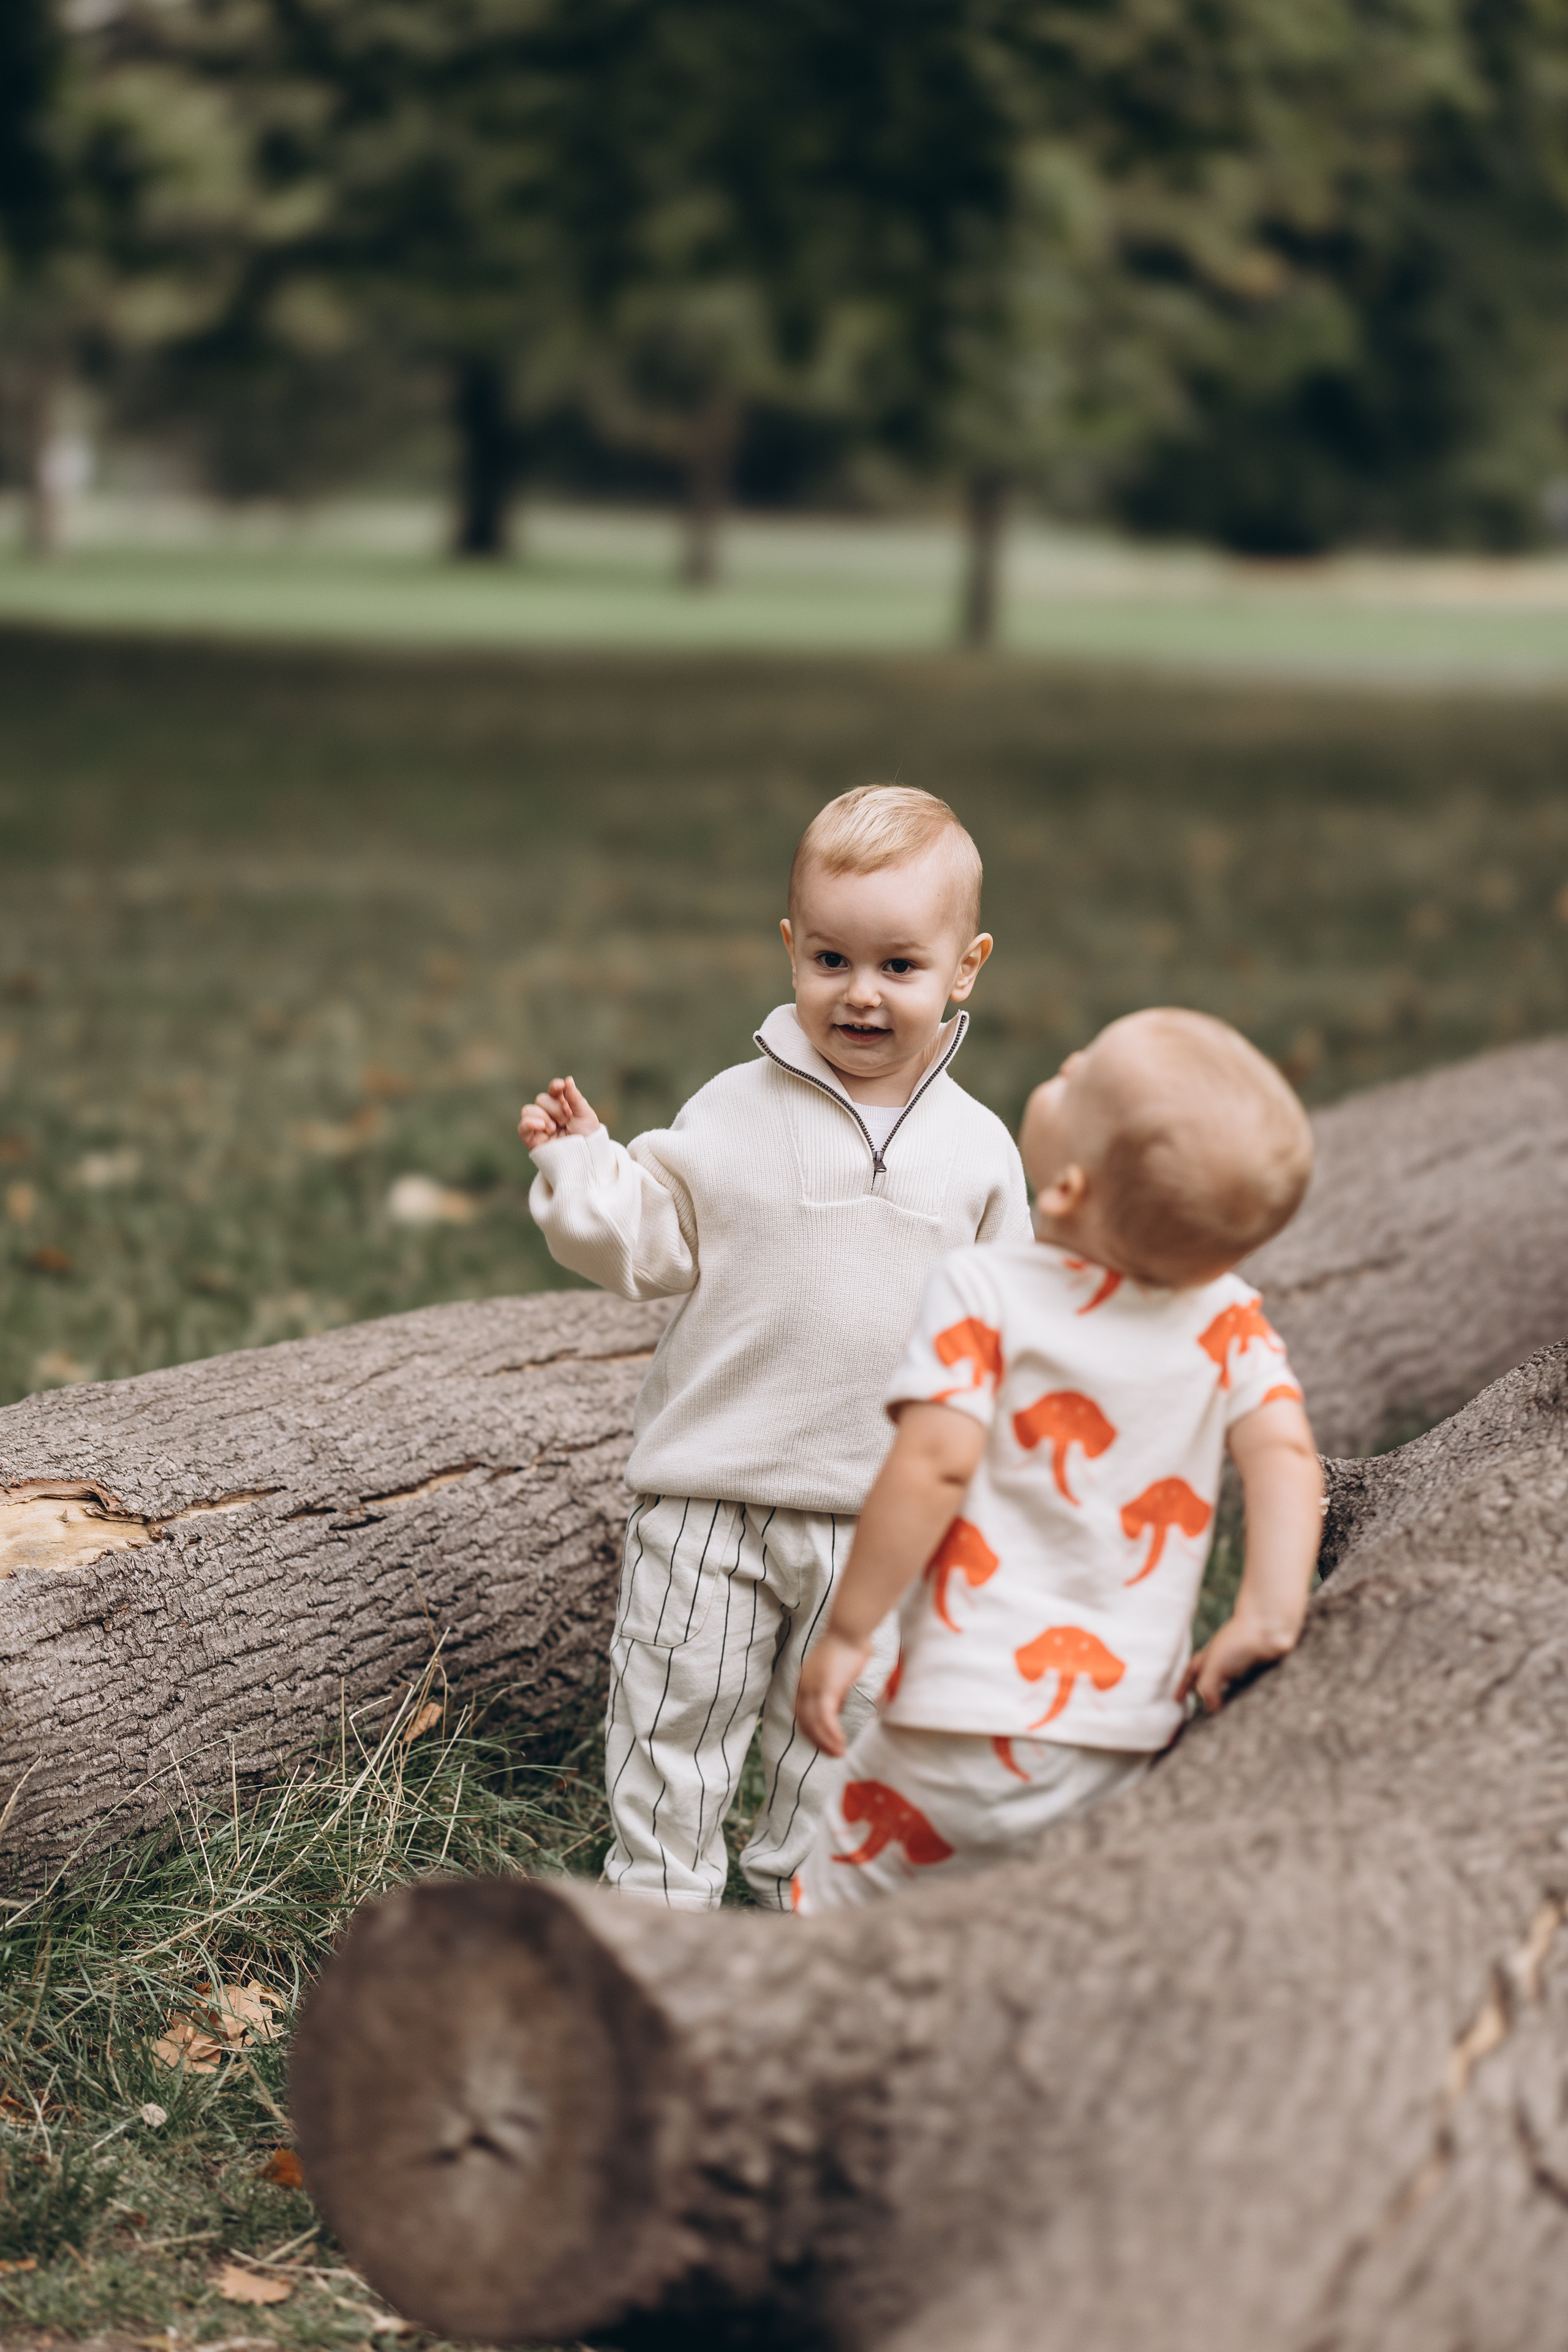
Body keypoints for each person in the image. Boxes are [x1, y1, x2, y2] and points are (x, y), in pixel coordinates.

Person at [519, 785, 1032, 1910]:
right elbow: (648, 1240)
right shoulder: (732, 1111)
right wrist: (582, 1169)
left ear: (966, 967)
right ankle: (661, 1902)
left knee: (844, 1731)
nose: (860, 994)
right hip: (712, 1495)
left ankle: (801, 1904)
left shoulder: (982, 1153)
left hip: (883, 1513)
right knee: (677, 1707)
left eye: (900, 966)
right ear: (792, 948)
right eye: (832, 959)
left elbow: (1010, 1330)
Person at [791, 1006, 1321, 1912]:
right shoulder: (1232, 1320)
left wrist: (847, 1633)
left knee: (842, 1902)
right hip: (1122, 1738)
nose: (1066, 1061)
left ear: (1068, 1189)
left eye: (1079, 1076)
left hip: (956, 1717)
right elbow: (1284, 1453)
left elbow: (933, 1467)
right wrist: (1268, 1614)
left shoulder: (986, 1288)